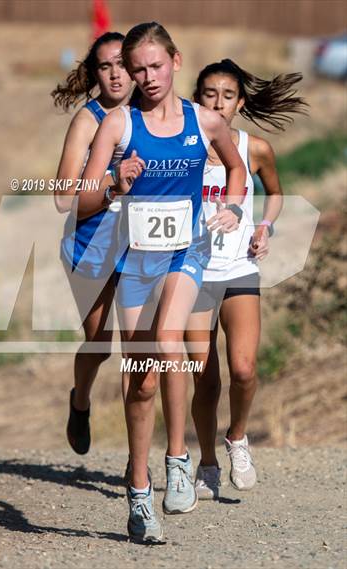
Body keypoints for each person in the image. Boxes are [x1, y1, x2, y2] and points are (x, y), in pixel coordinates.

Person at [76, 23, 246, 543]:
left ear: (175, 60)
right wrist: (112, 186)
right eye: (138, 69)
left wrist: (234, 208)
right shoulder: (118, 126)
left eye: (156, 66)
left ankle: (177, 459)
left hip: (186, 253)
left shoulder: (205, 120)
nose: (148, 78)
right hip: (133, 262)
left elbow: (237, 169)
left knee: (169, 343)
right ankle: (138, 486)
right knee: (143, 376)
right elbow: (78, 201)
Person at [185, 59, 307, 499]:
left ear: (240, 101)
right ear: (196, 97)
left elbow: (275, 194)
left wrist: (264, 227)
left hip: (239, 269)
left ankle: (237, 438)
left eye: (228, 95)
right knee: (204, 377)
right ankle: (208, 462)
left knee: (244, 369)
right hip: (191, 273)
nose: (218, 103)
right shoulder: (181, 147)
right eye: (209, 94)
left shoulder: (254, 148)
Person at [52, 32, 132, 455]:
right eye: (105, 66)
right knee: (100, 343)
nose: (116, 74)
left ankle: (136, 454)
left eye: (122, 63)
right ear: (95, 73)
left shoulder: (154, 111)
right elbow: (64, 197)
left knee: (140, 346)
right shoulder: (88, 118)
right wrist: (113, 187)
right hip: (91, 240)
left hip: (142, 243)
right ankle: (80, 401)